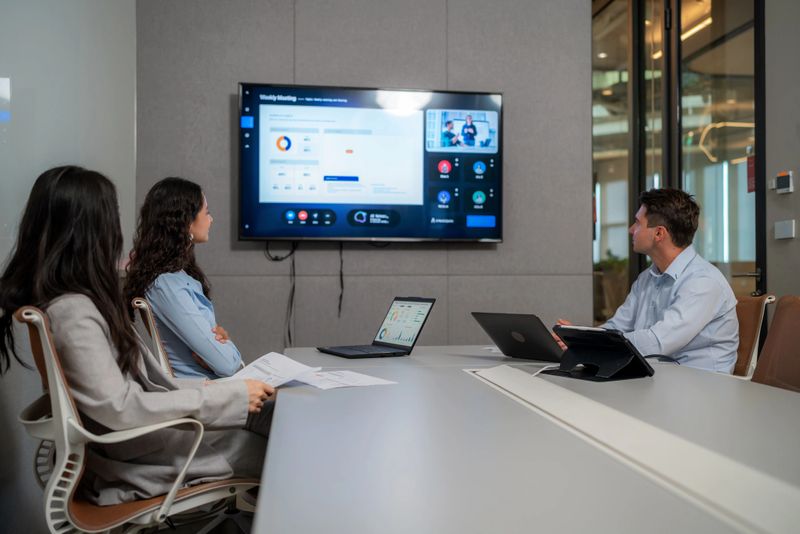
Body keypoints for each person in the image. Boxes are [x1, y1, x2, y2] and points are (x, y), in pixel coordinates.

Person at [0, 166, 274, 505]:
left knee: (276, 414)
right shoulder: (74, 312)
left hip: (149, 445)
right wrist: (226, 397)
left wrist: (230, 393)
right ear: (93, 229)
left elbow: (136, 392)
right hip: (148, 458)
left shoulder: (75, 304)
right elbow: (122, 407)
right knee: (288, 447)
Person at [559, 188, 739, 373]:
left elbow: (658, 342)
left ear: (659, 234)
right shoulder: (647, 278)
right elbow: (617, 326)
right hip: (659, 378)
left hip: (702, 388)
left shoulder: (703, 282)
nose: (631, 230)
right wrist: (581, 338)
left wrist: (591, 345)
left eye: (637, 223)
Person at [124, 177, 242, 379]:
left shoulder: (176, 278)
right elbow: (228, 365)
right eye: (207, 212)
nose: (211, 219)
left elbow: (225, 361)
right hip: (204, 395)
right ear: (186, 221)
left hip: (212, 388)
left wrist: (222, 346)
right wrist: (225, 351)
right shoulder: (167, 285)